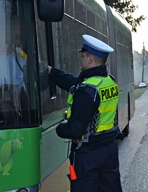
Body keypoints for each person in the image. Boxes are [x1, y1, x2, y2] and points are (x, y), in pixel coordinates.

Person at [48, 34, 123, 192]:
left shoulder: (87, 91)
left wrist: (60, 128)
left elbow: (76, 129)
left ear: (90, 59)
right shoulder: (109, 81)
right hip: (109, 150)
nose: (80, 60)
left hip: (88, 154)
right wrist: (52, 72)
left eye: (82, 56)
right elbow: (74, 82)